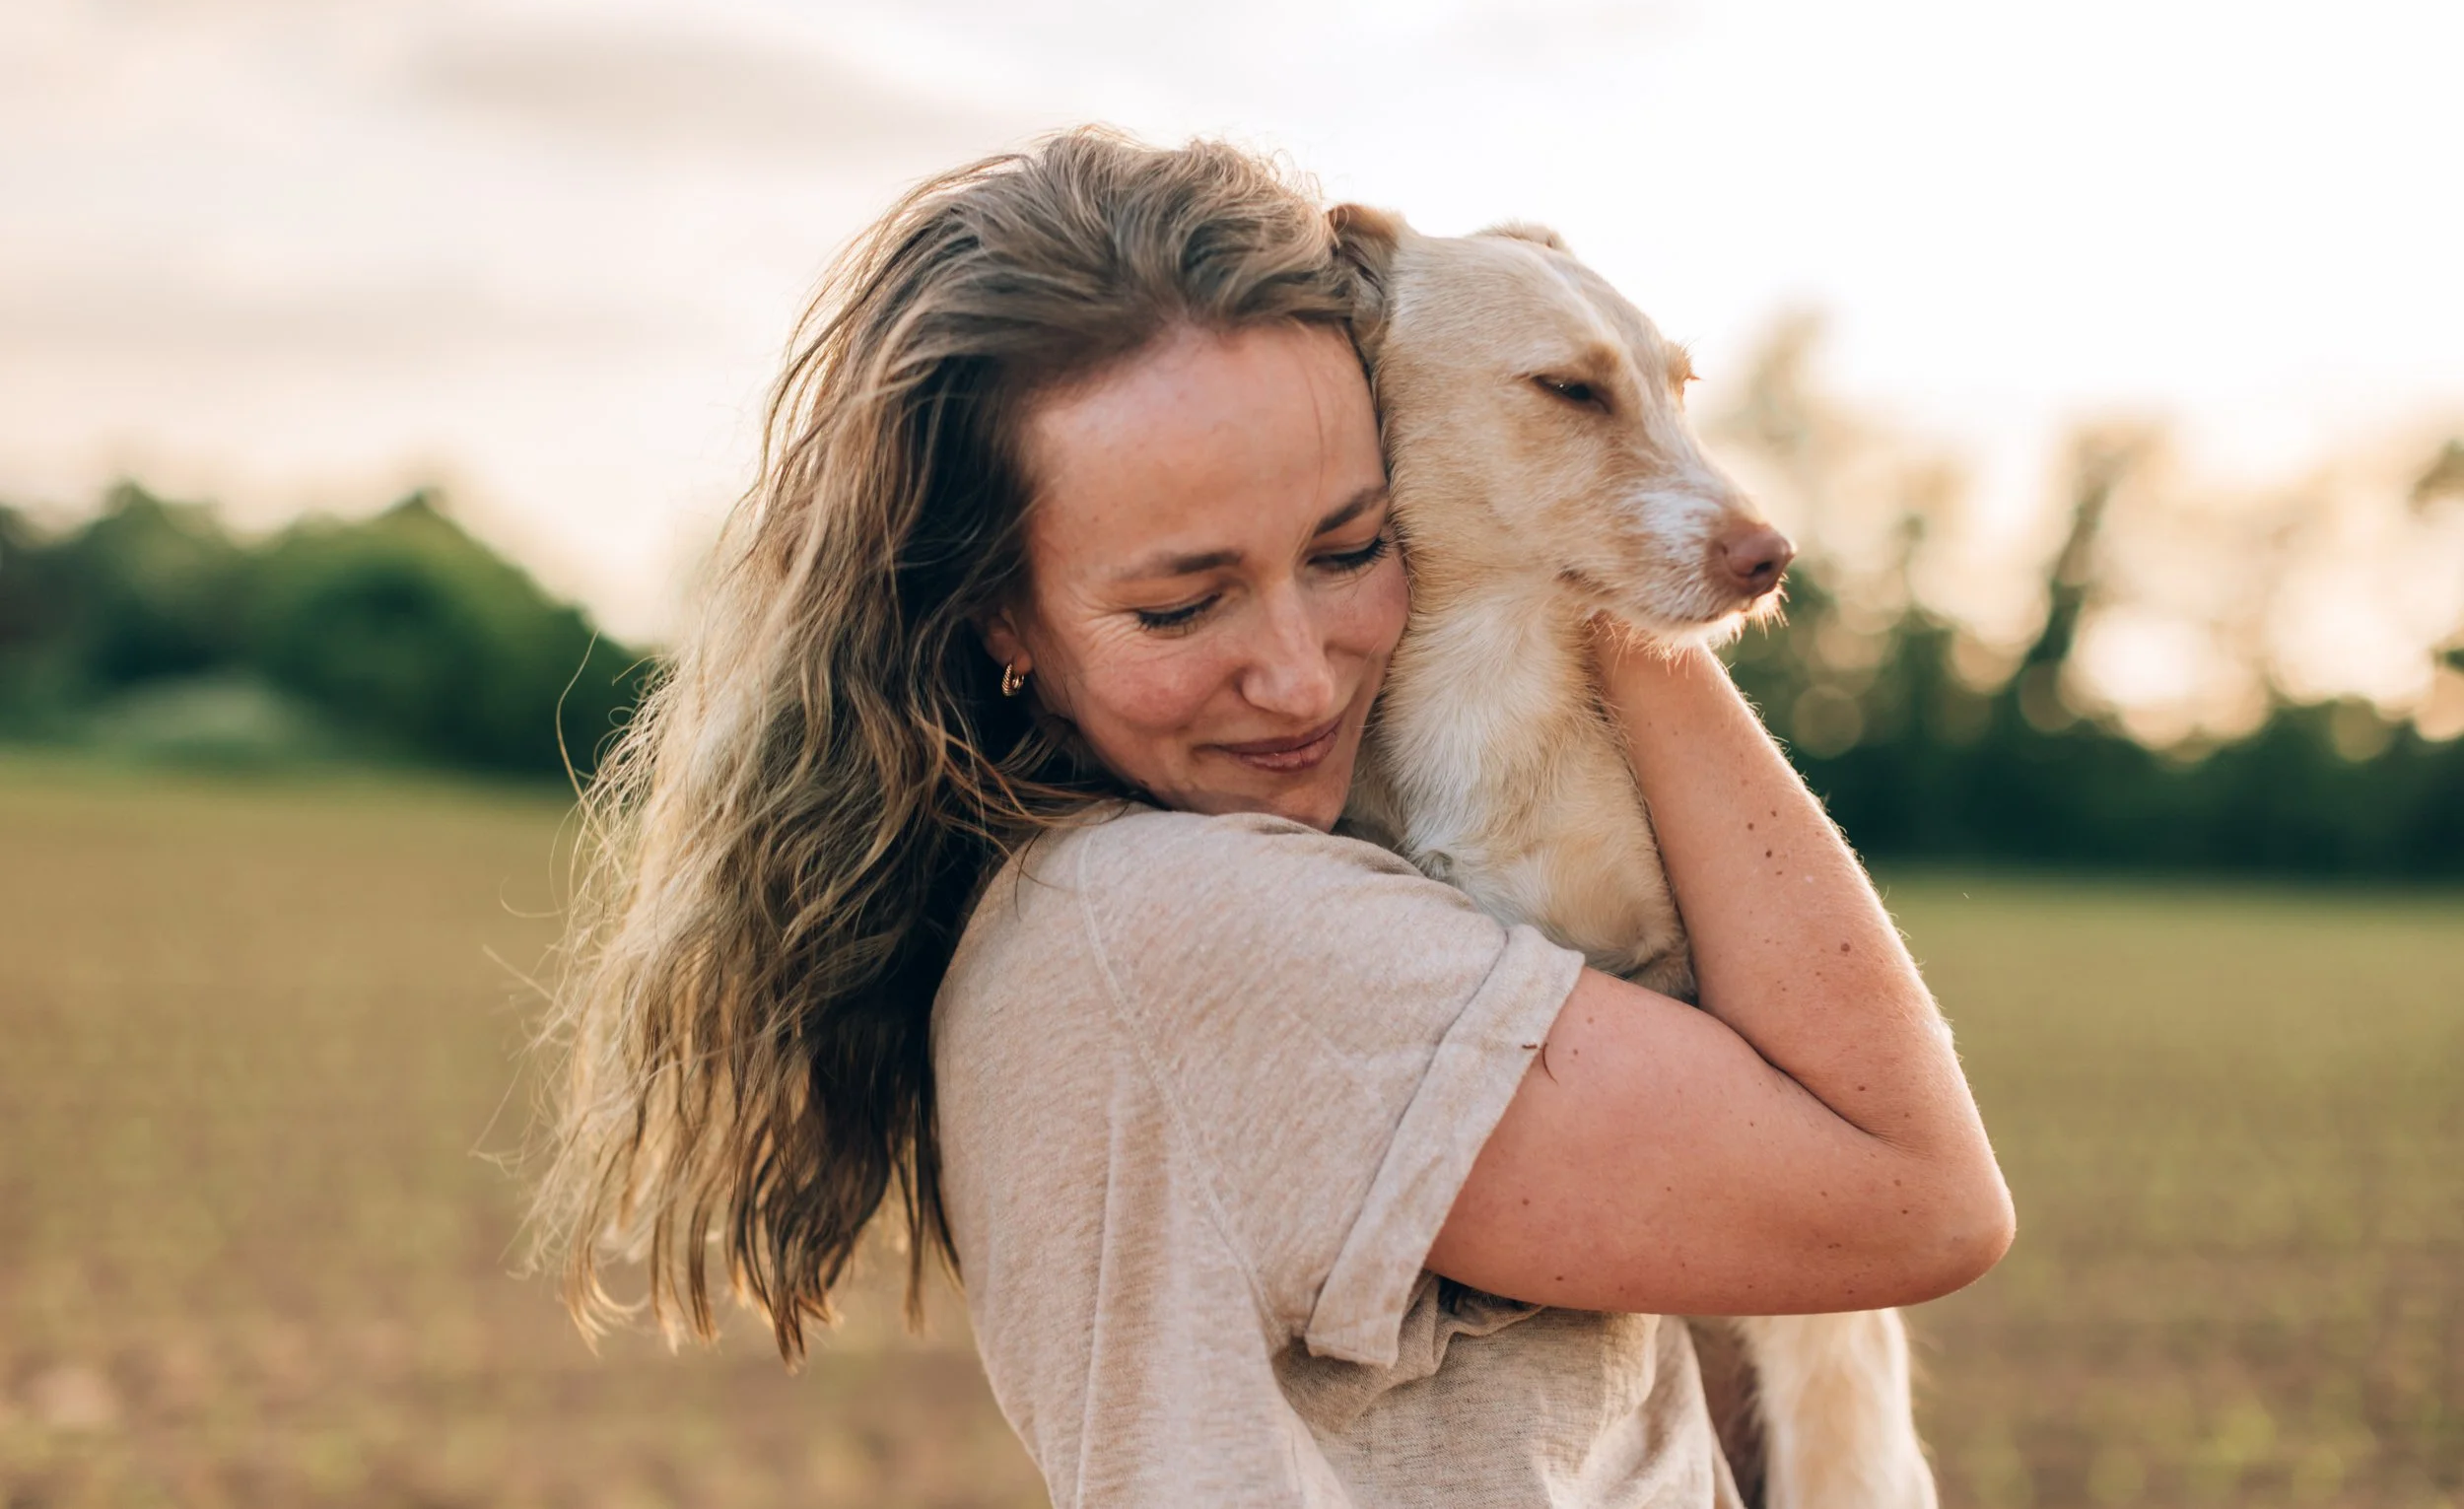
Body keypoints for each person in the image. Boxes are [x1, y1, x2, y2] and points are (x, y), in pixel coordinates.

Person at [532, 128, 2014, 1507]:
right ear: (1001, 619)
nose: (1300, 673)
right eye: (1184, 601)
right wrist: (1621, 576)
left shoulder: (1102, 889)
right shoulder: (1192, 926)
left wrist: (1563, 486)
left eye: (1353, 545)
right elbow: (1918, 1190)